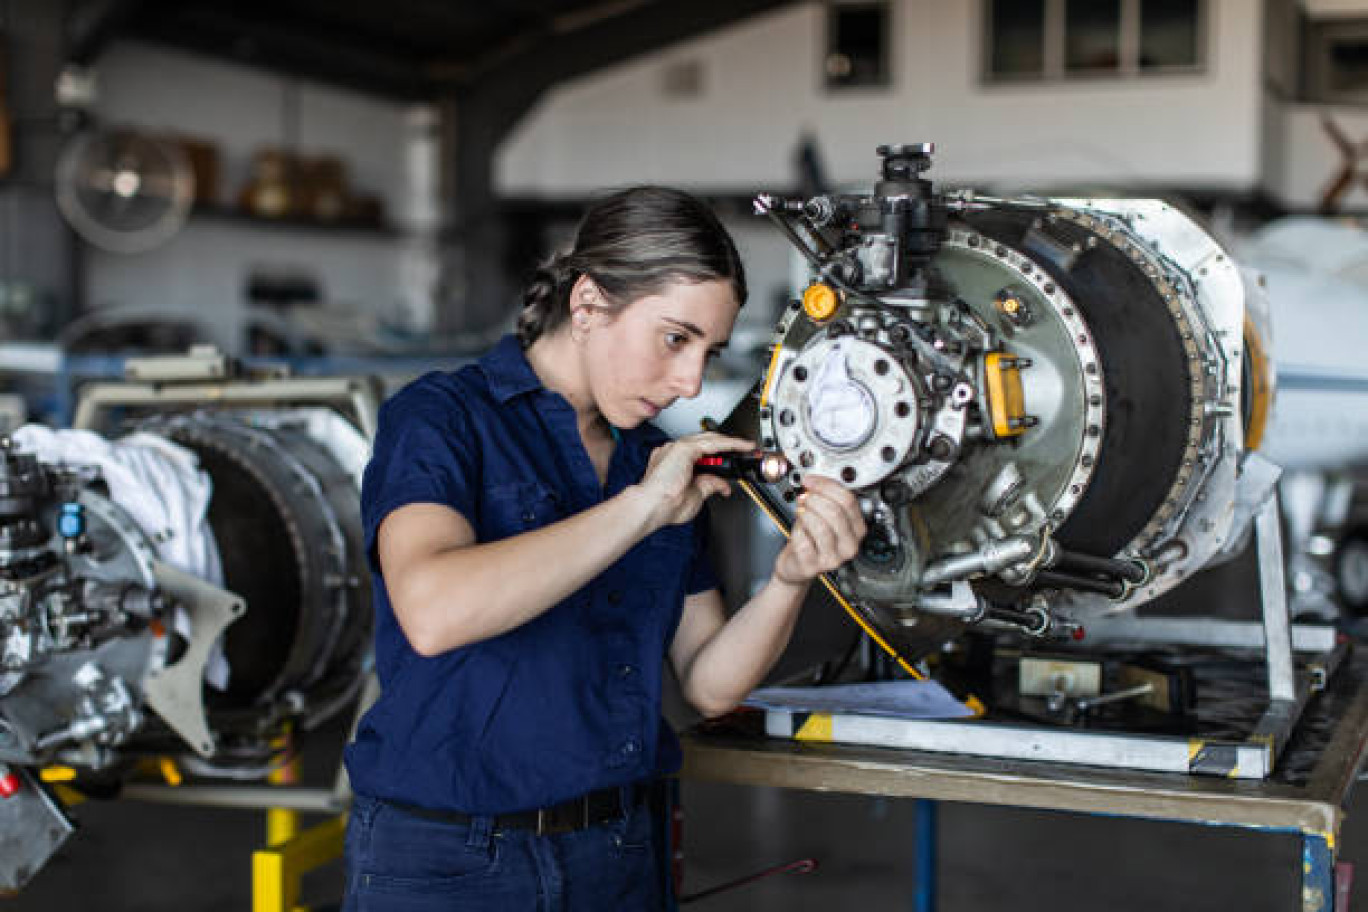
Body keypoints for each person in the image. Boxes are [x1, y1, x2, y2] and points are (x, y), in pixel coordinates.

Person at [341, 186, 866, 911]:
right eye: (675, 339)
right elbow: (433, 609)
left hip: (617, 854)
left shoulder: (655, 463)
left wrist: (789, 578)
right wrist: (641, 508)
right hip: (451, 859)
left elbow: (710, 682)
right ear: (587, 304)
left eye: (708, 352)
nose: (691, 381)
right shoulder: (441, 419)